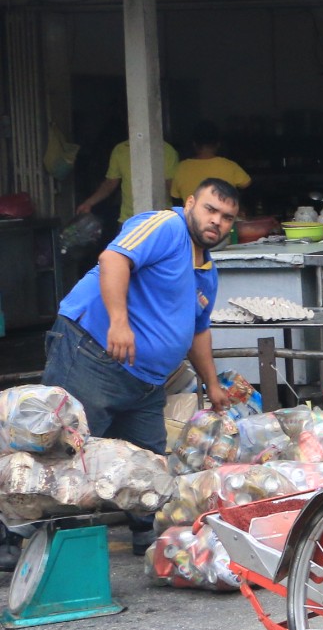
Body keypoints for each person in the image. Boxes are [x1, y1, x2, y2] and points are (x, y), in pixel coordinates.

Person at [45, 178, 240, 462]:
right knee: (67, 458)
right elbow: (113, 258)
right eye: (210, 210)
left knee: (147, 476)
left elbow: (198, 332)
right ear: (190, 204)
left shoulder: (207, 272)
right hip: (93, 357)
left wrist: (211, 384)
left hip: (146, 387)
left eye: (226, 217)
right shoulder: (168, 226)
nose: (216, 221)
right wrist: (119, 323)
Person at [75, 133, 180, 223]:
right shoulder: (120, 150)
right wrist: (89, 203)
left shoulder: (167, 151)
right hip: (129, 219)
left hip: (160, 219)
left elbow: (172, 186)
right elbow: (110, 183)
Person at [168, 122, 252, 204]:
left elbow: (175, 196)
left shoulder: (182, 168)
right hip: (222, 216)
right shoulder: (229, 166)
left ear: (194, 144)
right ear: (218, 144)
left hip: (192, 217)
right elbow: (247, 185)